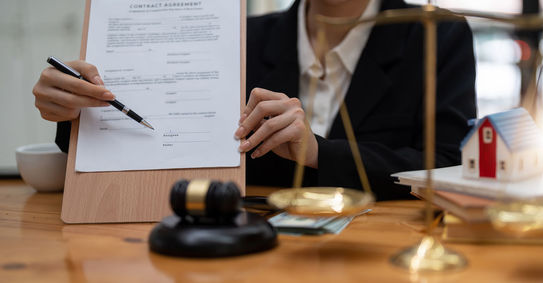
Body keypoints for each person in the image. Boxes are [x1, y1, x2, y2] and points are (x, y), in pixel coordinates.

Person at [32, 0, 476, 201]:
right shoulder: (239, 36)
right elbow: (161, 142)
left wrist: (320, 151)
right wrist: (71, 109)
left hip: (381, 252)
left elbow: (448, 166)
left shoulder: (438, 37)